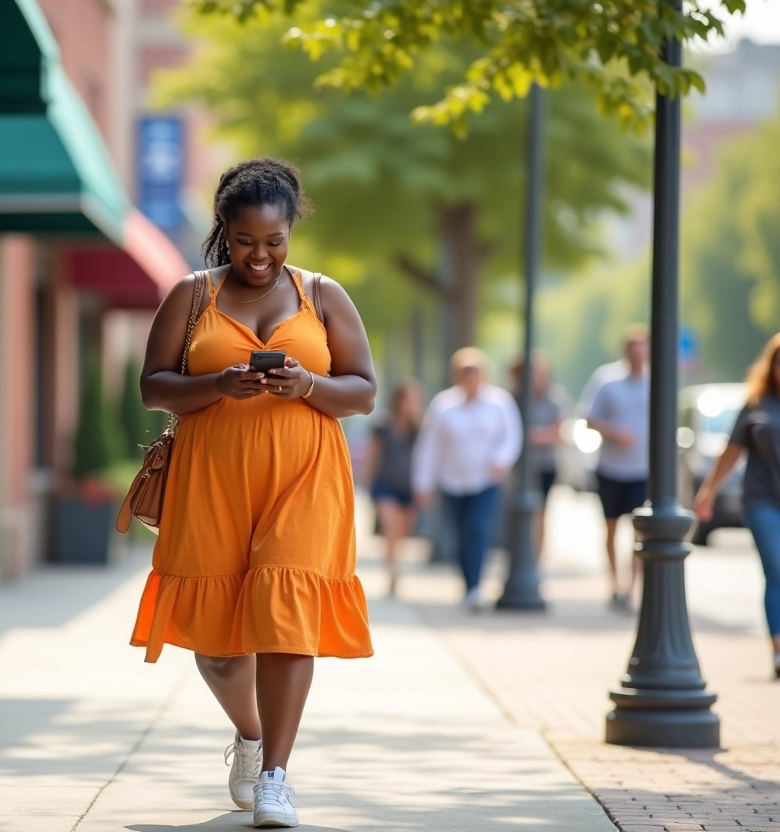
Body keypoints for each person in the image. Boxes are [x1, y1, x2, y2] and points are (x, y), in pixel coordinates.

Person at [131, 158, 376, 829]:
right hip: (213, 481)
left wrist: (309, 388)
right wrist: (217, 385)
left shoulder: (323, 295)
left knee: (285, 615)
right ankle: (250, 735)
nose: (260, 256)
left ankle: (276, 777)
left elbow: (362, 390)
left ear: (290, 231)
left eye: (274, 242)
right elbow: (153, 386)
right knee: (217, 645)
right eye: (245, 242)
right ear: (224, 232)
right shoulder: (191, 294)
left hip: (306, 477)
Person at [694, 332, 780, 679]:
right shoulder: (756, 404)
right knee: (779, 569)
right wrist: (708, 491)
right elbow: (731, 451)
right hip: (766, 501)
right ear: (771, 368)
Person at [414, 348, 522, 611]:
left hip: (484, 480)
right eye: (465, 373)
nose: (470, 378)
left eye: (475, 373)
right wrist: (423, 483)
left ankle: (475, 587)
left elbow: (511, 437)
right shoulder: (443, 405)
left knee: (478, 529)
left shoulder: (500, 402)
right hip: (452, 481)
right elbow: (430, 447)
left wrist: (501, 460)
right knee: (461, 534)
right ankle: (468, 583)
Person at [585, 324, 650, 610]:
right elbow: (589, 418)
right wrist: (615, 433)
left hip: (642, 470)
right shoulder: (607, 381)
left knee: (639, 533)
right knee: (611, 529)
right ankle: (614, 582)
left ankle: (631, 588)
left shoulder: (656, 380)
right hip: (611, 468)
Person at [509, 352, 571, 563]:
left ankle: (536, 559)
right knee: (519, 512)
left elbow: (557, 433)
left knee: (540, 514)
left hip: (545, 465)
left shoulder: (555, 399)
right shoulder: (514, 398)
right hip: (519, 465)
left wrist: (528, 435)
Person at [367, 379, 424, 596]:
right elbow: (374, 455)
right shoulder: (383, 426)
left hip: (410, 486)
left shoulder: (419, 427)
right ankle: (392, 571)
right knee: (390, 529)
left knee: (402, 532)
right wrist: (369, 484)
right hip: (385, 485)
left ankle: (394, 561)